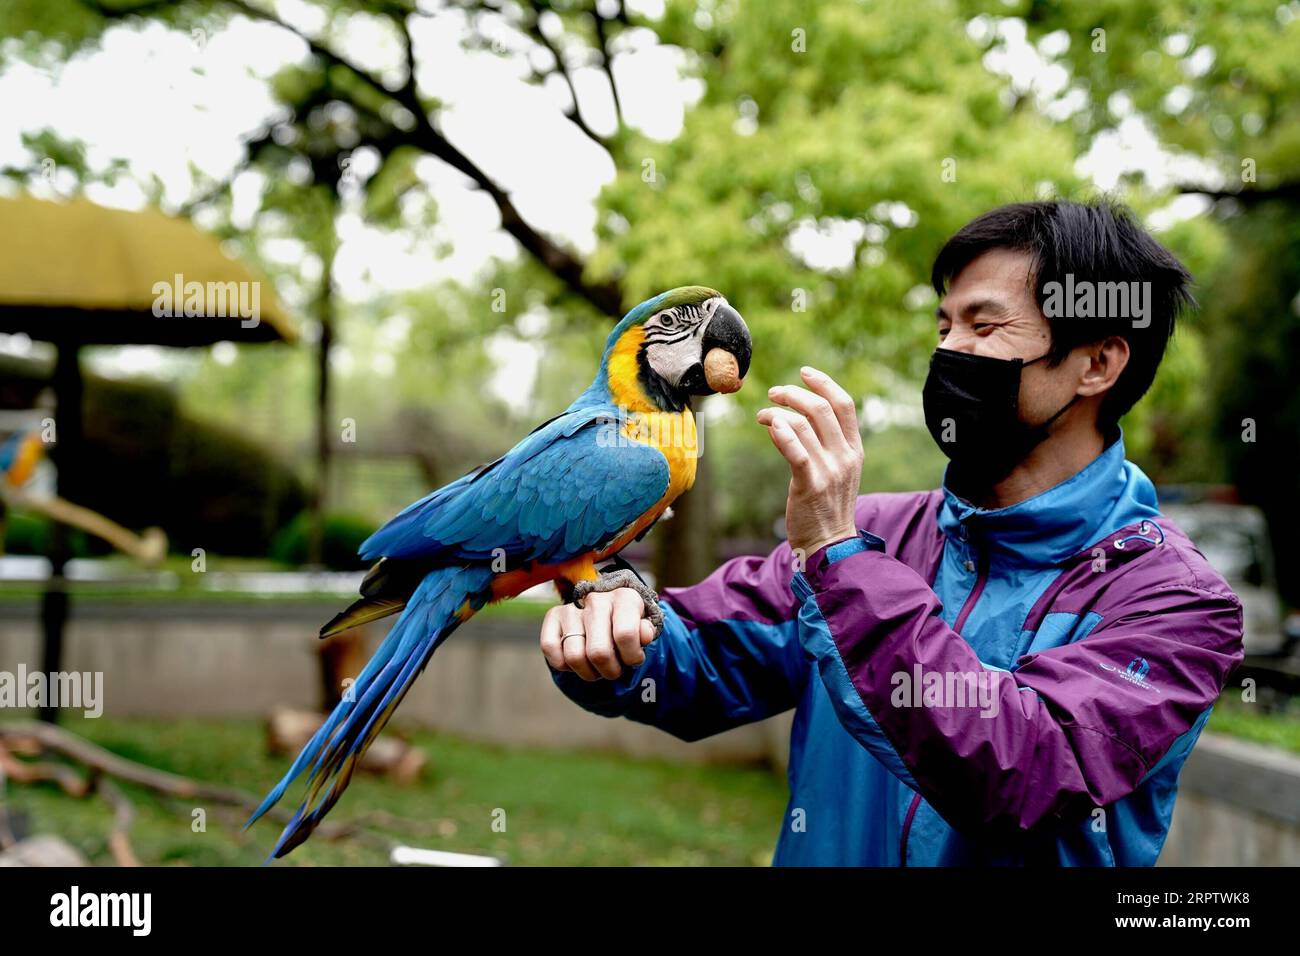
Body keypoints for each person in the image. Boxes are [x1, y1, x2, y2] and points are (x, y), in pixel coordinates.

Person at [539, 200, 1244, 866]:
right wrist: (619, 635)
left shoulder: (1175, 604)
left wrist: (838, 562)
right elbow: (706, 654)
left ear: (1097, 362)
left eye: (984, 326)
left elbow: (1022, 769)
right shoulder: (878, 531)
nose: (949, 351)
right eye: (944, 328)